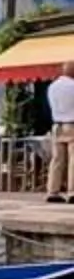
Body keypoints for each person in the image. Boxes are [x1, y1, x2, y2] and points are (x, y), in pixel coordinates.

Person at [51, 63, 74, 201]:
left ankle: (53, 191)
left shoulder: (52, 87)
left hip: (57, 125)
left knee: (57, 159)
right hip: (72, 124)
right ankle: (72, 192)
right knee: (73, 159)